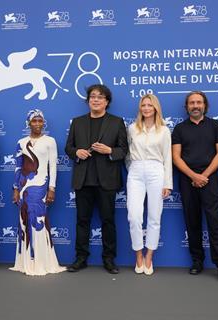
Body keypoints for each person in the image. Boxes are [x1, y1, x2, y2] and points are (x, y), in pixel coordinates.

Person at [65, 84, 128, 274]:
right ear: (88, 101)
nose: (95, 100)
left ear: (106, 102)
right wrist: (77, 152)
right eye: (92, 96)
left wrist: (110, 151)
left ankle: (109, 259)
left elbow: (124, 150)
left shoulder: (117, 122)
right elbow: (68, 148)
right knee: (82, 221)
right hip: (83, 180)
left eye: (100, 97)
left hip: (106, 180)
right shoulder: (77, 122)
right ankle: (81, 258)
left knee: (108, 221)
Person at [172, 91, 218, 282]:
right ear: (186, 107)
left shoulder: (215, 125)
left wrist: (203, 176)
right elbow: (176, 157)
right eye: (191, 103)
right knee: (192, 221)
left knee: (214, 222)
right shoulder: (180, 128)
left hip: (209, 179)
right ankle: (197, 261)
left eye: (199, 102)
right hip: (187, 179)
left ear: (204, 105)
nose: (195, 105)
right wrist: (193, 176)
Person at [9, 109, 66, 276]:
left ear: (44, 123)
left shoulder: (50, 141)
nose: (37, 124)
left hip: (41, 186)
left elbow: (53, 167)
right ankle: (26, 261)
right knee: (24, 220)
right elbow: (18, 167)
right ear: (28, 123)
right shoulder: (21, 142)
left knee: (38, 220)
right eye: (34, 121)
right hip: (23, 186)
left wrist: (52, 188)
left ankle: (42, 261)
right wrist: (15, 189)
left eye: (40, 121)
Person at [126, 94, 172, 275]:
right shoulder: (132, 129)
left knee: (154, 216)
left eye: (149, 105)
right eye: (143, 105)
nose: (146, 108)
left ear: (156, 108)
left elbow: (168, 157)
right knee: (134, 216)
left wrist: (167, 182)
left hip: (156, 170)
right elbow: (128, 154)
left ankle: (149, 256)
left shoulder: (164, 130)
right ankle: (138, 255)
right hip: (136, 172)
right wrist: (133, 169)